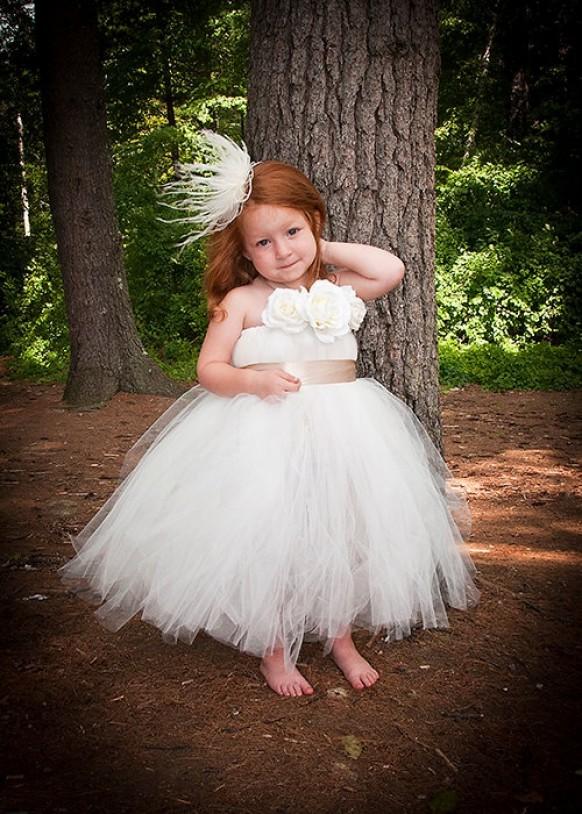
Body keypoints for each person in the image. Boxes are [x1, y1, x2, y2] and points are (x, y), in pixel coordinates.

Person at [58, 131, 479, 698]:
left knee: (344, 535)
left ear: (313, 224)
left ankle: (340, 638)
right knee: (276, 542)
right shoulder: (243, 301)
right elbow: (209, 368)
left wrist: (320, 248)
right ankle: (275, 650)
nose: (282, 251)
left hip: (347, 433)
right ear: (243, 252)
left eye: (293, 233)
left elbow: (391, 269)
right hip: (265, 435)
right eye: (263, 242)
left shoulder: (335, 287)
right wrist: (250, 380)